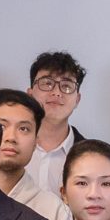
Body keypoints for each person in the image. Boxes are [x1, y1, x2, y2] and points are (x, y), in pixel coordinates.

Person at [0, 87, 65, 220]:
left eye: (23, 129)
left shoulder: (54, 210)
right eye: (2, 126)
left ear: (36, 142)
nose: (11, 137)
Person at [21, 51, 88, 210]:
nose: (56, 92)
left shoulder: (91, 155)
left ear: (77, 99)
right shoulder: (7, 148)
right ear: (30, 94)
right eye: (47, 83)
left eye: (66, 86)